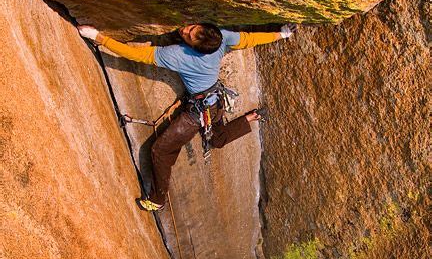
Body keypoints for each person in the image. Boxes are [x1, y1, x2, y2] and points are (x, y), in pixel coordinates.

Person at [78, 22, 296, 211]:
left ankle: (157, 200)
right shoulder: (219, 38)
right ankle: (252, 117)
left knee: (160, 150)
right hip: (214, 101)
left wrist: (99, 38)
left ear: (194, 48)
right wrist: (282, 34)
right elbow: (249, 39)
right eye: (192, 28)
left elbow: (137, 55)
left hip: (199, 110)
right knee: (217, 139)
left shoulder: (178, 55)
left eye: (188, 35)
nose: (185, 29)